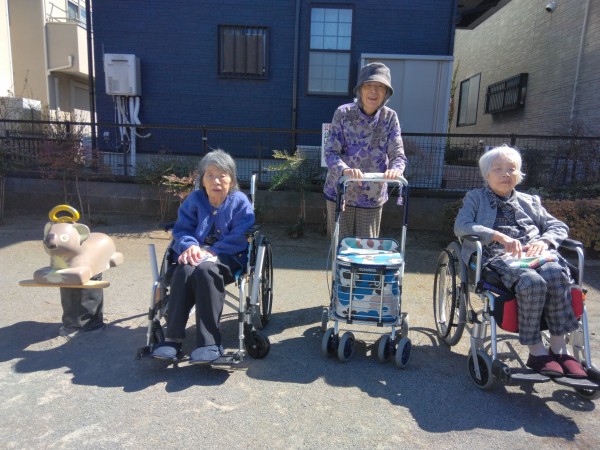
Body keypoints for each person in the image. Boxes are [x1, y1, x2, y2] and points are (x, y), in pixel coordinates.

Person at [454, 145, 586, 378]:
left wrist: (544, 241)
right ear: (486, 174)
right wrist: (498, 236)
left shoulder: (530, 201)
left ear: (519, 173)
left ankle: (559, 348)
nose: (506, 174)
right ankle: (536, 351)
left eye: (511, 168)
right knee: (531, 282)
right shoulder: (475, 198)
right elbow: (462, 226)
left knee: (556, 273)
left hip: (535, 253)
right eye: (498, 169)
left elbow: (558, 226)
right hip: (497, 255)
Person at [152, 149, 255, 364]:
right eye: (210, 175)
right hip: (197, 255)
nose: (216, 181)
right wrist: (190, 246)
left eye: (222, 175)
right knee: (184, 268)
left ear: (231, 179)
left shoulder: (239, 201)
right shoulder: (195, 199)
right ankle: (172, 339)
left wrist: (214, 251)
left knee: (206, 270)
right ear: (202, 179)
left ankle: (209, 343)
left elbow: (240, 234)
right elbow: (182, 229)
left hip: (228, 257)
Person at [323, 62, 407, 239]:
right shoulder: (343, 113)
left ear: (386, 93)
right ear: (360, 90)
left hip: (372, 195)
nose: (374, 91)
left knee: (368, 248)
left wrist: (396, 170)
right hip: (341, 192)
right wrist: (345, 170)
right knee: (341, 248)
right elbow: (330, 152)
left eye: (380, 86)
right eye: (368, 85)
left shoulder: (390, 117)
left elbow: (398, 154)